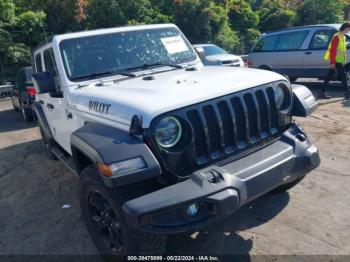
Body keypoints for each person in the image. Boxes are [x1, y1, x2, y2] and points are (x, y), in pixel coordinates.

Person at [323, 22, 350, 100]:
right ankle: (347, 92)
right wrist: (332, 62)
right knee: (343, 75)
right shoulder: (337, 36)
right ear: (345, 28)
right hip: (336, 60)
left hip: (339, 59)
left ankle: (322, 91)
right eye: (349, 29)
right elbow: (332, 50)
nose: (349, 30)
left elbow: (340, 49)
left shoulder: (343, 36)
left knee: (329, 76)